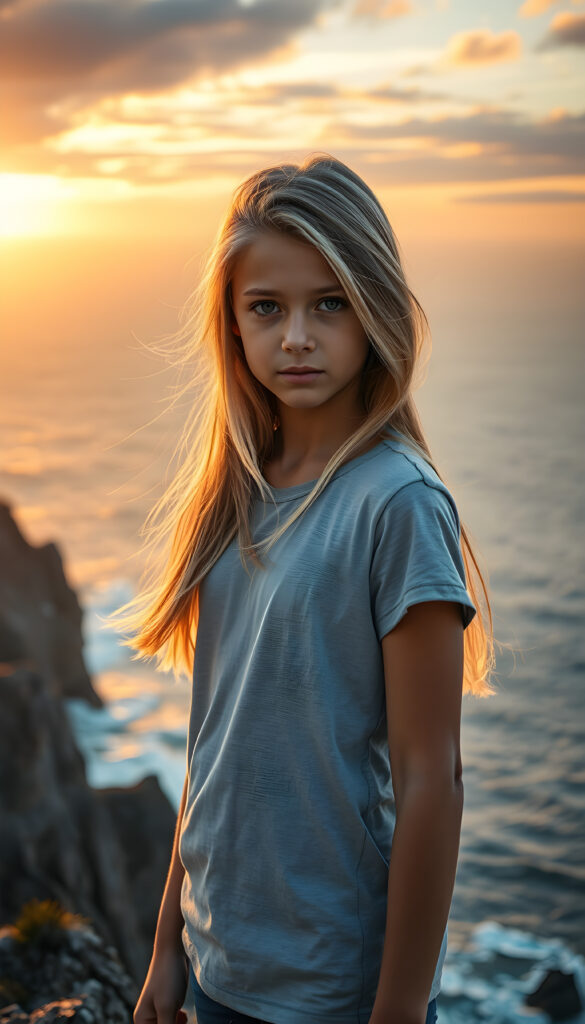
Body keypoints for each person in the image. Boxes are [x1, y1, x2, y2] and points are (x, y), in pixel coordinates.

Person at [115, 153, 496, 1024]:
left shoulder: (396, 504)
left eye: (329, 303)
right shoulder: (237, 488)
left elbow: (431, 778)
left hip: (332, 989)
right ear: (233, 324)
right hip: (218, 966)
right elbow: (213, 740)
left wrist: (397, 1012)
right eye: (266, 308)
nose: (295, 335)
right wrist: (165, 952)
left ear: (375, 308)